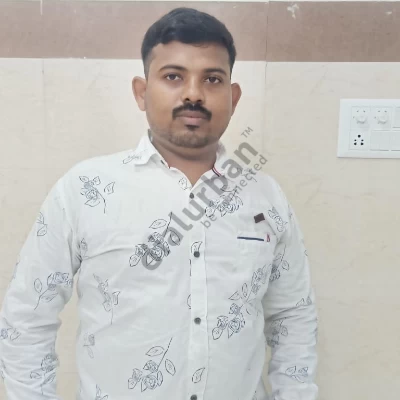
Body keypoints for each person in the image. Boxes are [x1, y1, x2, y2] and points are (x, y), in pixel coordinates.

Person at [0, 7, 318, 400]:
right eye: (173, 76)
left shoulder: (266, 198)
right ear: (141, 91)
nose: (193, 94)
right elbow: (27, 317)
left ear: (233, 97)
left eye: (212, 79)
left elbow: (292, 317)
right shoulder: (84, 190)